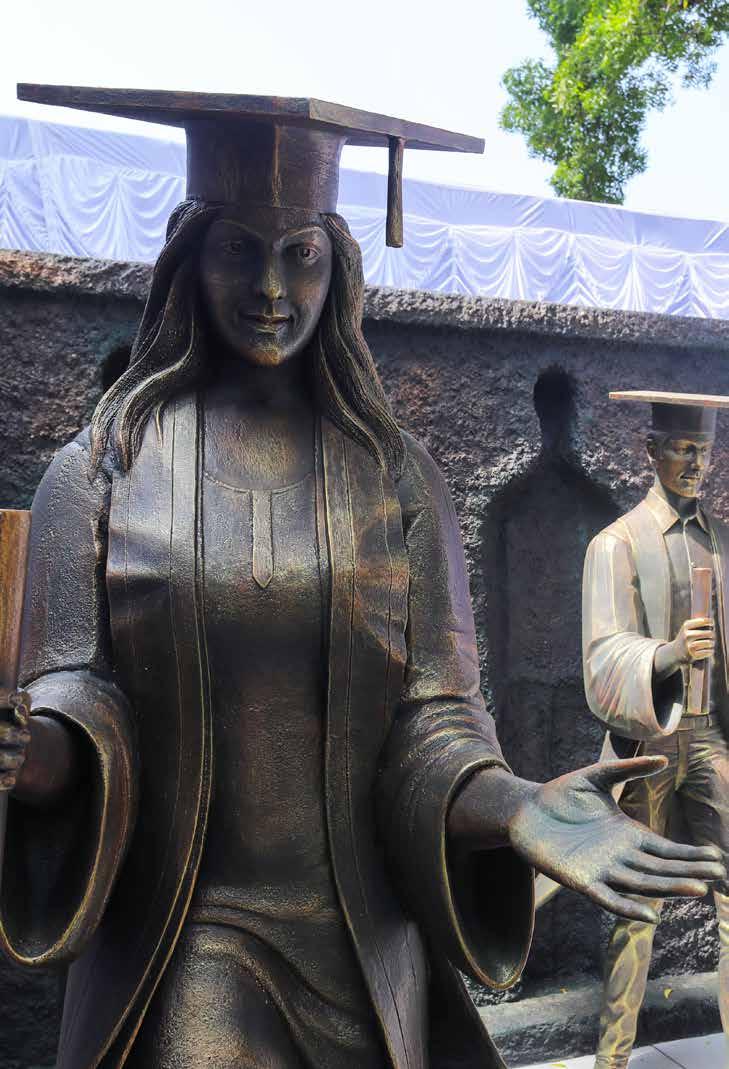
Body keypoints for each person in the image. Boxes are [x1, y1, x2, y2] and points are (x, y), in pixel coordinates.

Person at [0, 90, 722, 1069]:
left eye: (300, 252)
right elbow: (73, 697)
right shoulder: (99, 472)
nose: (271, 285)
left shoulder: (395, 476)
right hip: (186, 933)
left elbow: (436, 719)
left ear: (337, 264)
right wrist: (30, 757)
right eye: (238, 250)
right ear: (188, 257)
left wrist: (517, 806)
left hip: (359, 935)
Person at [583, 389, 729, 1069]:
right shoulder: (615, 545)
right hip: (649, 745)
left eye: (705, 450)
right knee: (636, 908)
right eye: (681, 448)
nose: (696, 463)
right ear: (650, 451)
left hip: (711, 738)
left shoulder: (721, 542)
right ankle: (612, 1059)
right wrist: (668, 654)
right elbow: (601, 657)